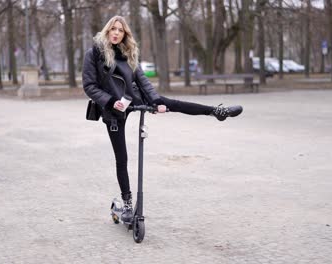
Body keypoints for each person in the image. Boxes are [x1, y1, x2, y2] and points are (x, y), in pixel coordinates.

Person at [82, 16, 243, 222]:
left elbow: (142, 80)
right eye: (113, 29)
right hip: (112, 109)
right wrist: (112, 101)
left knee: (172, 103)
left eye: (120, 30)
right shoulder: (94, 54)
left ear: (125, 34)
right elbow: (89, 86)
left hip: (132, 98)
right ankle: (128, 203)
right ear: (107, 30)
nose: (116, 33)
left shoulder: (127, 53)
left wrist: (156, 100)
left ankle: (216, 112)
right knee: (122, 159)